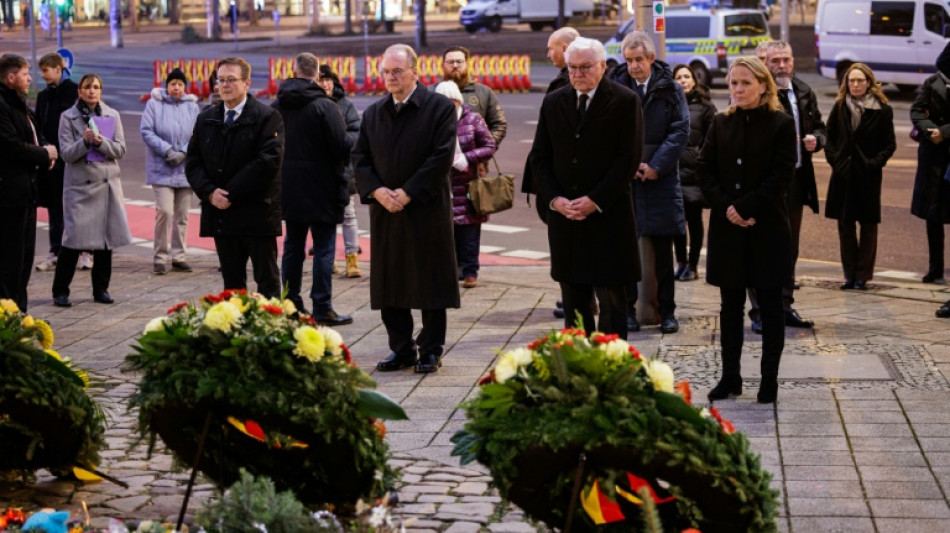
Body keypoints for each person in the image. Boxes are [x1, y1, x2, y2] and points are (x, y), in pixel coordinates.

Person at [353, 44, 459, 374]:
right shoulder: (373, 113)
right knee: (390, 282)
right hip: (386, 210)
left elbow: (441, 156)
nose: (389, 77)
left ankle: (430, 349)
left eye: (396, 71)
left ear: (415, 71)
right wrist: (377, 190)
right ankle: (401, 348)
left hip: (425, 208)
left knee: (430, 281)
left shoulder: (438, 107)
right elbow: (360, 159)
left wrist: (408, 192)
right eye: (385, 71)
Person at [698, 56, 796, 405]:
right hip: (728, 230)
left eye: (745, 83)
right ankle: (730, 377)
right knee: (729, 306)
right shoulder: (721, 123)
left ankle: (768, 380)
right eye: (734, 83)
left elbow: (781, 176)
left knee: (770, 306)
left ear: (763, 86)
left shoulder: (781, 124)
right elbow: (704, 170)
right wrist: (728, 207)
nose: (738, 89)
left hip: (766, 228)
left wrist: (746, 207)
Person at [532, 37, 643, 338]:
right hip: (566, 218)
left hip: (608, 216)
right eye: (572, 68)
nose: (578, 74)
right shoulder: (555, 100)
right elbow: (540, 158)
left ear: (603, 66)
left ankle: (612, 365)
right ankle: (578, 369)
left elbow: (628, 160)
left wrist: (595, 200)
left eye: (585, 67)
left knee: (612, 302)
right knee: (574, 302)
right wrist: (555, 199)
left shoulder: (624, 100)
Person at [607, 31, 689, 334]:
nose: (633, 66)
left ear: (651, 59)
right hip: (627, 181)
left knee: (663, 249)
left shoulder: (670, 88)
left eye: (638, 60)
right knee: (627, 247)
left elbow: (680, 130)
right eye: (628, 60)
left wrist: (656, 165)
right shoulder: (615, 86)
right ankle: (627, 310)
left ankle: (667, 311)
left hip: (661, 180)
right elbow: (609, 132)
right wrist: (628, 166)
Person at [186, 57, 285, 298]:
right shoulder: (206, 118)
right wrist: (209, 192)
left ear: (247, 83)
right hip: (222, 215)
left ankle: (270, 331)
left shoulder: (267, 117)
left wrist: (230, 193)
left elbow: (267, 162)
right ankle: (236, 332)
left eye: (231, 80)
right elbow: (193, 162)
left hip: (257, 213)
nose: (224, 85)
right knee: (232, 286)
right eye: (220, 80)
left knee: (268, 282)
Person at [272, 53, 352, 325]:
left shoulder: (279, 104)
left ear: (294, 72)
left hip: (290, 185)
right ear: (318, 75)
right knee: (323, 248)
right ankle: (322, 306)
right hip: (323, 186)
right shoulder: (325, 106)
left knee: (293, 246)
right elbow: (341, 146)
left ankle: (290, 302)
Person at [753, 40, 823, 332]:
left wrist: (816, 139)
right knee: (762, 247)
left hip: (795, 180)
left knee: (789, 247)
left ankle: (784, 304)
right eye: (775, 60)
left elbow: (820, 126)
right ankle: (760, 311)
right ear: (765, 63)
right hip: (765, 183)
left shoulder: (803, 91)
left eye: (786, 60)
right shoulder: (757, 94)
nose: (782, 66)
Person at [52, 74, 133, 307]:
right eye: (87, 87)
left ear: (101, 91)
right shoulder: (67, 117)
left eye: (96, 87)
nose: (92, 91)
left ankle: (101, 289)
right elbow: (66, 153)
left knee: (105, 240)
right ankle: (60, 290)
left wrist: (100, 143)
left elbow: (120, 150)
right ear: (79, 90)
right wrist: (85, 142)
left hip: (107, 184)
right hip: (80, 186)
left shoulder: (112, 114)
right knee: (74, 239)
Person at [824, 63, 895, 291]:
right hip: (844, 175)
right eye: (851, 81)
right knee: (845, 224)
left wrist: (874, 164)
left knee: (868, 224)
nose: (855, 85)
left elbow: (889, 144)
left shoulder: (882, 109)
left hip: (868, 175)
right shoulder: (840, 106)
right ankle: (849, 274)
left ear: (869, 82)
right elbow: (829, 137)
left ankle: (863, 275)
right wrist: (836, 161)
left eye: (860, 81)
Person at [527, 26, 581, 320]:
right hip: (558, 183)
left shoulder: (565, 84)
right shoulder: (560, 82)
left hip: (566, 183)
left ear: (567, 47)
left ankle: (576, 297)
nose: (548, 54)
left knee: (570, 247)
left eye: (552, 48)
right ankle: (569, 295)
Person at [0, 54, 59, 311]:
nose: (30, 78)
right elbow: (10, 147)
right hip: (8, 196)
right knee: (9, 262)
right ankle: (8, 318)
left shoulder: (19, 103)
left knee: (23, 262)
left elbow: (35, 134)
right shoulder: (2, 105)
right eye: (25, 74)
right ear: (11, 77)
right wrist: (45, 154)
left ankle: (19, 315)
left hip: (26, 193)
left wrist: (47, 148)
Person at [434, 81, 497, 289]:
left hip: (468, 184)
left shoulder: (472, 119)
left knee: (469, 230)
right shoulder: (434, 121)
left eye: (450, 102)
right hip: (443, 184)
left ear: (457, 100)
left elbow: (489, 145)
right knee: (447, 232)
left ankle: (471, 272)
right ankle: (453, 270)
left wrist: (467, 158)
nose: (446, 107)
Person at [141, 68, 200, 275]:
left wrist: (183, 152)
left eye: (180, 84)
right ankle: (160, 257)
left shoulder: (192, 107)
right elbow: (146, 131)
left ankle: (179, 256)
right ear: (167, 86)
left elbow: (197, 134)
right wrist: (167, 150)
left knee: (182, 215)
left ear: (185, 87)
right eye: (173, 83)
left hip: (185, 168)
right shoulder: (154, 104)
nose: (176, 88)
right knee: (164, 212)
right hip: (162, 167)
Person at [34, 52, 79, 274]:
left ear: (58, 69)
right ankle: (56, 251)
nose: (43, 75)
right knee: (54, 206)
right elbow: (39, 125)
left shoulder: (74, 92)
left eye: (46, 71)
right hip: (50, 161)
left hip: (71, 158)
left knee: (75, 205)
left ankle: (82, 250)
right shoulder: (43, 96)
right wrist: (45, 150)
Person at [317, 64, 363, 279]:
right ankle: (328, 258)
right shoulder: (311, 105)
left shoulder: (345, 105)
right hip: (318, 171)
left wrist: (342, 143)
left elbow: (356, 131)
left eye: (328, 79)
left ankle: (352, 257)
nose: (325, 84)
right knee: (322, 218)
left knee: (349, 214)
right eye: (320, 80)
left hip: (343, 168)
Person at [671, 64, 716, 282]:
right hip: (674, 173)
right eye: (678, 77)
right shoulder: (669, 104)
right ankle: (680, 262)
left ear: (694, 81)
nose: (683, 80)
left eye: (687, 76)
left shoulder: (706, 106)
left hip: (695, 174)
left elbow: (712, 140)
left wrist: (699, 161)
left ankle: (693, 265)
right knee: (677, 223)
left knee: (694, 221)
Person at [911, 42, 950, 285]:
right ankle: (935, 267)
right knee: (933, 216)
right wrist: (930, 130)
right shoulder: (932, 83)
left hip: (946, 152)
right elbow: (916, 111)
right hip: (934, 157)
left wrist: (944, 131)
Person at [440, 46, 507, 147]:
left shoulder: (484, 92)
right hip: (439, 161)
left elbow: (499, 124)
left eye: (459, 62)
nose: (455, 65)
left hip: (475, 161)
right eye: (450, 62)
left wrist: (485, 148)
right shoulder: (431, 93)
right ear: (443, 65)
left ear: (467, 64)